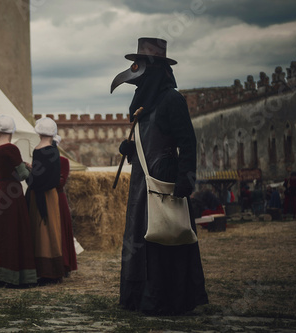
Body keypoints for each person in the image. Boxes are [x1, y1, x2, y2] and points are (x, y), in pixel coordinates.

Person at [111, 37, 208, 315]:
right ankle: (139, 297)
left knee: (167, 236)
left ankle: (168, 299)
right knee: (141, 237)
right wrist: (130, 150)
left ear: (154, 69)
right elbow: (146, 142)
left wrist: (185, 179)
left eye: (141, 66)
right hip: (142, 179)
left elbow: (187, 142)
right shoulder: (141, 104)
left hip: (165, 179)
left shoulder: (172, 100)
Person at [0, 115, 37, 287]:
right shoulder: (11, 149)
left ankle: (0, 275)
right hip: (13, 194)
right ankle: (14, 277)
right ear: (12, 130)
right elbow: (21, 175)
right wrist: (29, 169)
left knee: (1, 232)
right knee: (14, 231)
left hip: (1, 191)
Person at [26, 117, 64, 284]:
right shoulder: (54, 150)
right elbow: (49, 173)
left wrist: (29, 175)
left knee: (42, 232)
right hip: (51, 194)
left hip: (41, 195)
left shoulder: (39, 150)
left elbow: (38, 178)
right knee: (52, 230)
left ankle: (47, 272)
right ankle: (55, 270)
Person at [54, 136, 78, 276]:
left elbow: (60, 182)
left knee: (61, 229)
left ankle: (64, 263)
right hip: (47, 197)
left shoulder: (63, 161)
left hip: (58, 197)